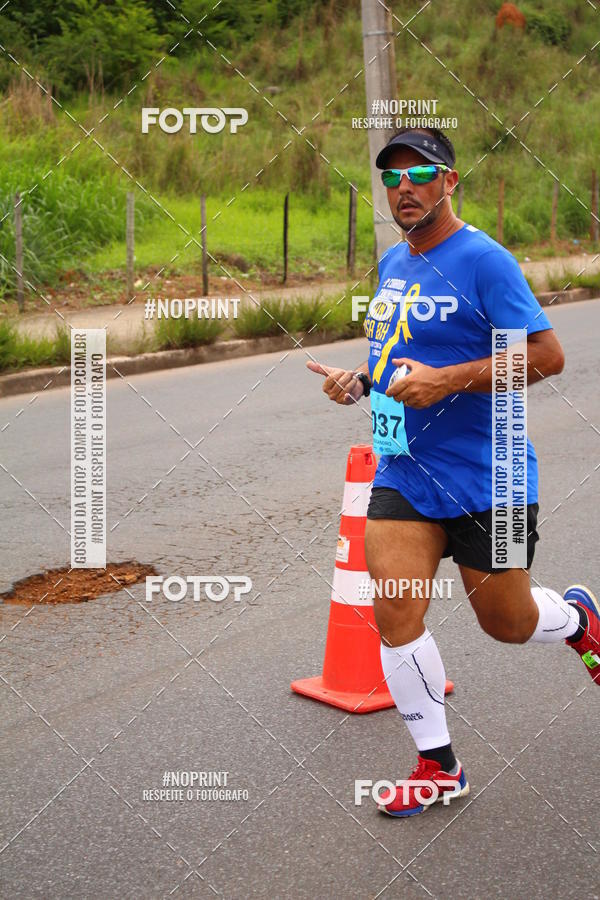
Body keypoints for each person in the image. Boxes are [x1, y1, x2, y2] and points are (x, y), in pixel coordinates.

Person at [307, 126, 600, 818]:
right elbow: (394, 354)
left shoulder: (484, 261)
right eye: (392, 177)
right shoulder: (393, 263)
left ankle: (578, 618)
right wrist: (360, 382)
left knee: (507, 621)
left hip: (490, 477)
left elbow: (547, 357)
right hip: (406, 472)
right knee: (394, 610)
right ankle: (438, 765)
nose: (403, 187)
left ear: (449, 181)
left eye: (419, 173)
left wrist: (449, 381)